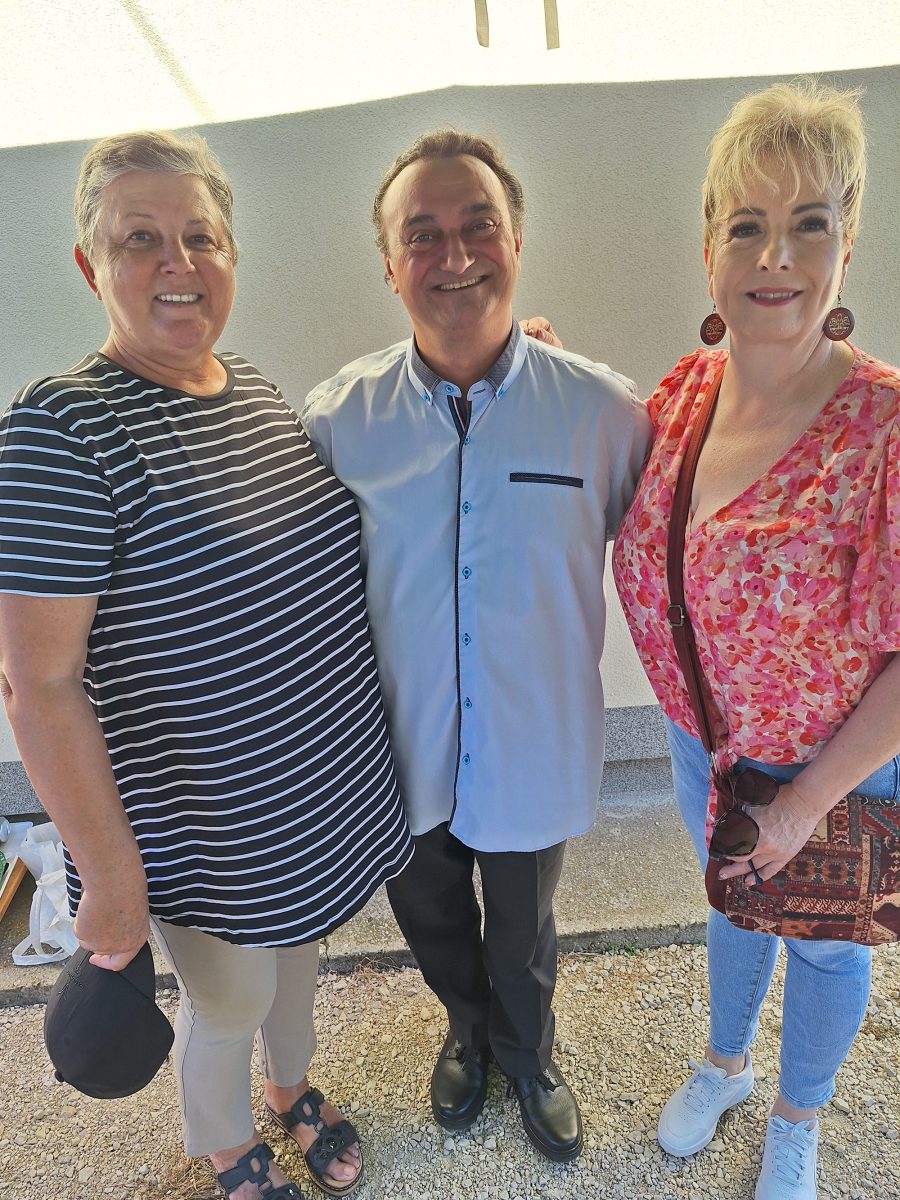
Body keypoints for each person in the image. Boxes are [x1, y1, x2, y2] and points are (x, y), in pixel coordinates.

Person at [0, 130, 414, 1200]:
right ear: (91, 266)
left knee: (298, 964)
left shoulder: (258, 391)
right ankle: (227, 1145)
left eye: (201, 236)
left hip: (312, 799)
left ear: (230, 255)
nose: (177, 262)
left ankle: (290, 1087)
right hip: (202, 821)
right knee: (228, 1001)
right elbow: (37, 686)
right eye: (140, 239)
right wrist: (110, 880)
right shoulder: (60, 431)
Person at [300, 129, 650, 1163]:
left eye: (478, 225)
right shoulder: (340, 422)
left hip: (530, 734)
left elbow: (668, 553)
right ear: (389, 263)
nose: (454, 255)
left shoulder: (600, 412)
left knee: (525, 923)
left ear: (517, 241)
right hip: (399, 739)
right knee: (432, 911)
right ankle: (465, 1027)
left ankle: (529, 1053)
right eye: (422, 234)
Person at [613, 81, 899, 1199]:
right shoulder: (684, 395)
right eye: (747, 225)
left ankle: (799, 1116)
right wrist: (529, 364)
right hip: (705, 744)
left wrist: (804, 803)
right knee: (730, 901)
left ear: (846, 245)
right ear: (709, 252)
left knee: (824, 942)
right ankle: (726, 1065)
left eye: (808, 223)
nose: (774, 255)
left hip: (833, 767)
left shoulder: (883, 424)